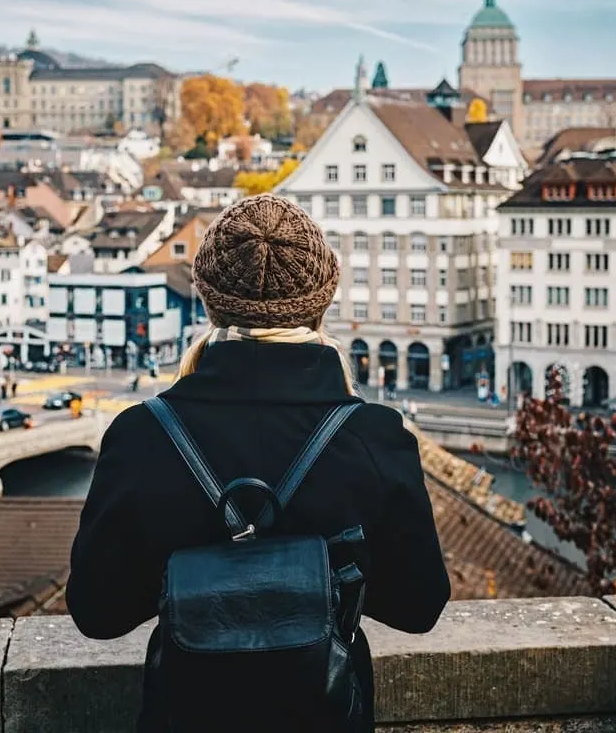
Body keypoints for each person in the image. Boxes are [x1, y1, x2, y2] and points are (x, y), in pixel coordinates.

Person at [68, 194, 449, 732]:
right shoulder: (374, 436)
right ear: (321, 304)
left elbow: (96, 613)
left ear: (208, 303)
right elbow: (421, 606)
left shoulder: (141, 435)